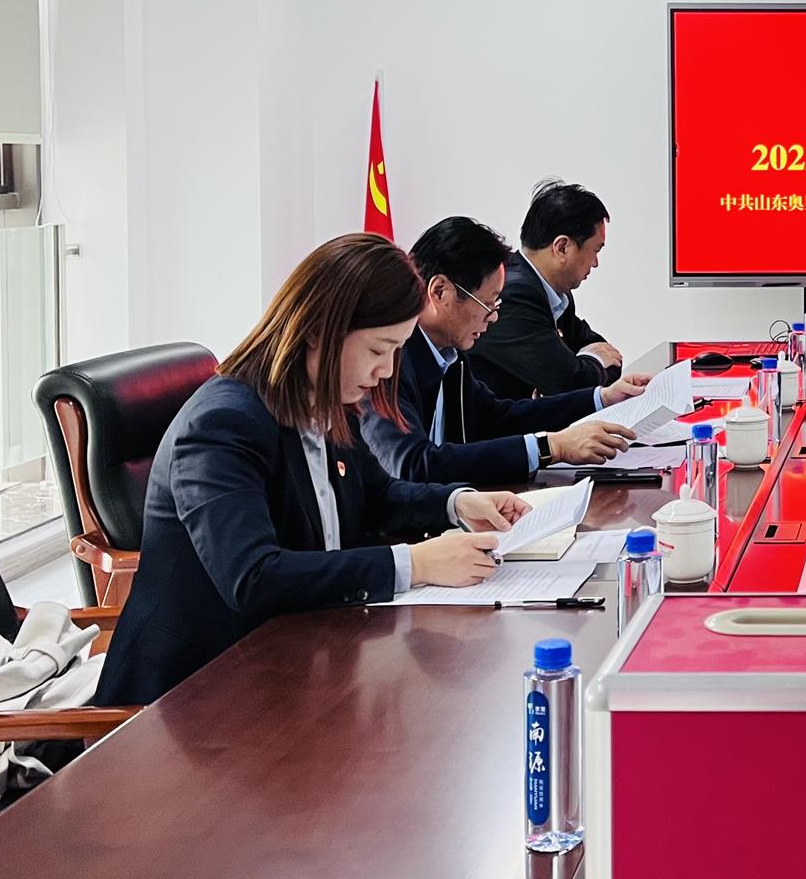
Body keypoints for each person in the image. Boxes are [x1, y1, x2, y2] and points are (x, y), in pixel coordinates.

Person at [96, 235, 528, 707]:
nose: (387, 371)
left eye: (397, 351)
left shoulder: (327, 401)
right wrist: (417, 563)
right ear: (319, 332)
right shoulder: (223, 424)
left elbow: (377, 496)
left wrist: (457, 504)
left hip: (298, 657)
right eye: (378, 350)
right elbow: (254, 578)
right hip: (195, 695)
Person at [361, 216, 648, 483]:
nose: (494, 317)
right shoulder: (389, 361)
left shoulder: (450, 355)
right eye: (488, 304)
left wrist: (601, 398)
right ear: (440, 292)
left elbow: (498, 417)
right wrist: (550, 447)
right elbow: (414, 465)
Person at [469, 179, 625, 398]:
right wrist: (594, 360)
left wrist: (586, 364)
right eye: (595, 251)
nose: (596, 263)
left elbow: (608, 355)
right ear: (562, 247)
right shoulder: (514, 295)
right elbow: (570, 383)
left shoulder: (556, 294)